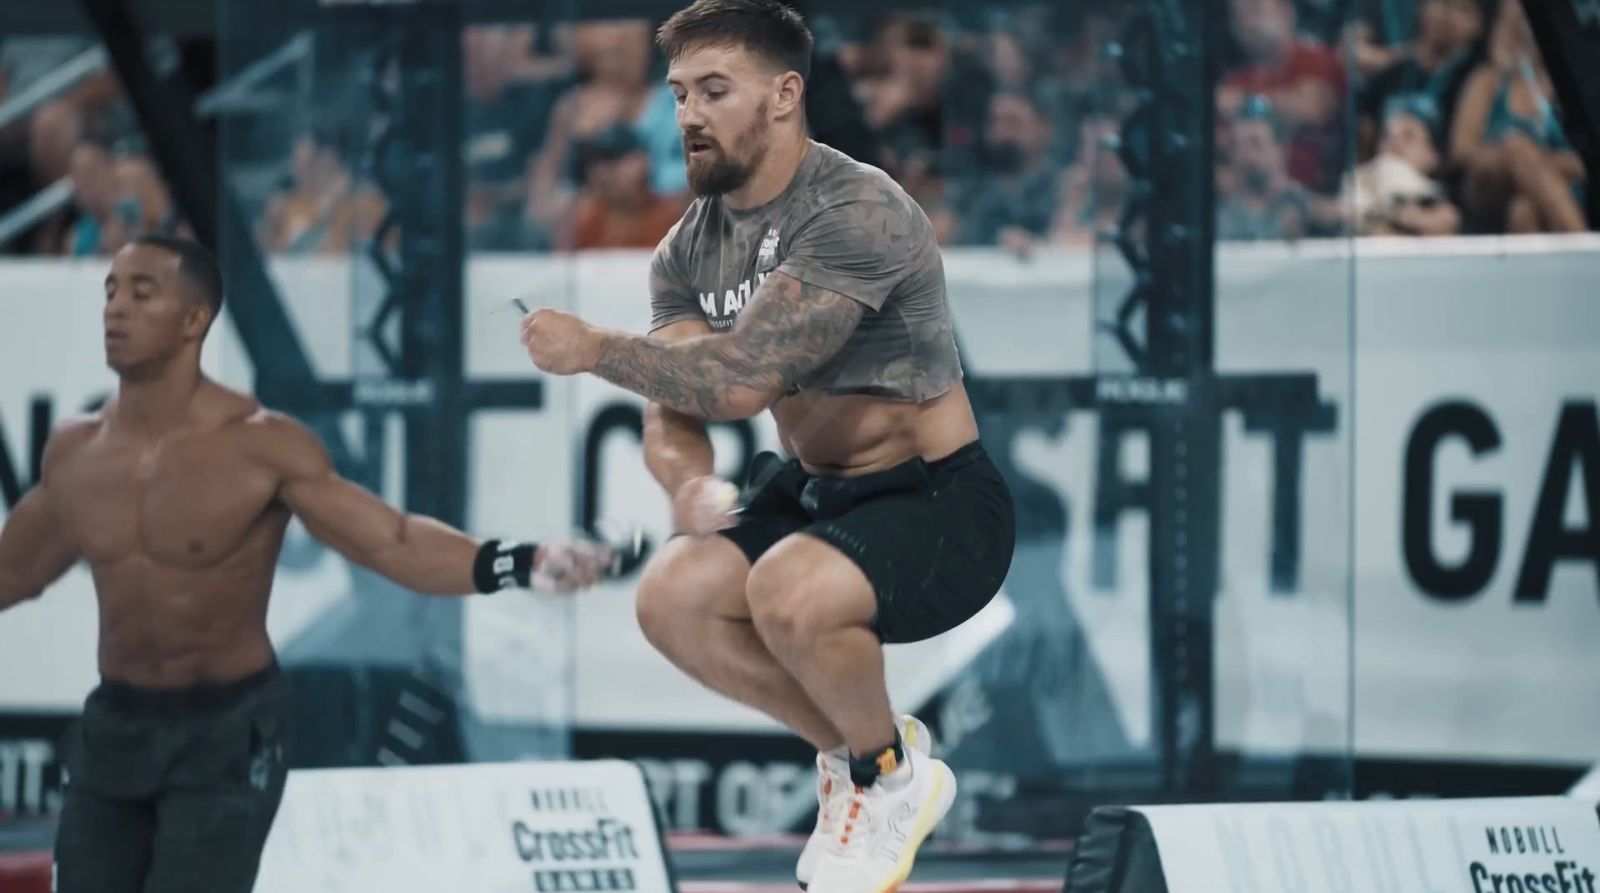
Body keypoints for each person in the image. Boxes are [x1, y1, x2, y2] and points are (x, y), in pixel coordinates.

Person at [518, 2, 1016, 892]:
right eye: (677, 94)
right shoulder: (686, 249)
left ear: (785, 95)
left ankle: (886, 777)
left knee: (783, 583)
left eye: (715, 90)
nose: (689, 117)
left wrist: (593, 348)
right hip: (820, 495)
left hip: (940, 504)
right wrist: (685, 482)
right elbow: (672, 394)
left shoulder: (858, 208)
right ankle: (866, 758)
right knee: (671, 597)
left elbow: (743, 379)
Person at [0, 234, 614, 892]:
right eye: (110, 292)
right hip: (116, 722)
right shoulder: (75, 452)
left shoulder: (261, 446)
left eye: (141, 293)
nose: (115, 309)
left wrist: (519, 561)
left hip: (226, 732)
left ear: (193, 319)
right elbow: (17, 571)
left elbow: (393, 540)